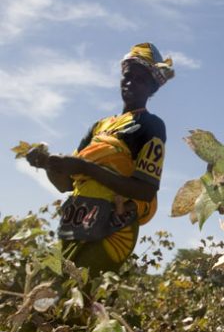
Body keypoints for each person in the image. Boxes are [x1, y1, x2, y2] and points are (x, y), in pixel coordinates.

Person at [26, 42, 174, 275]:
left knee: (79, 295)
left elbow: (145, 190)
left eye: (140, 79)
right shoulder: (100, 126)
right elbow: (66, 184)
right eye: (127, 76)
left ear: (151, 89)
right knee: (49, 294)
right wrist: (47, 164)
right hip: (77, 221)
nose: (130, 82)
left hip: (113, 227)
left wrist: (86, 167)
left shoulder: (150, 126)